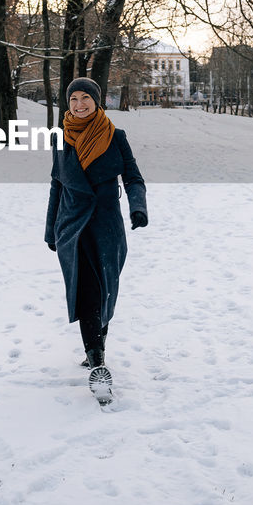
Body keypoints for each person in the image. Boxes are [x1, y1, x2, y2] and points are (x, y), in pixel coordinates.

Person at [44, 77, 147, 404]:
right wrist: (50, 230)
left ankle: (95, 349)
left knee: (106, 291)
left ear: (97, 100)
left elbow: (133, 177)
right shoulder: (61, 138)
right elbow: (56, 185)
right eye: (73, 98)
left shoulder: (115, 137)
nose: (79, 104)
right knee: (85, 291)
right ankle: (98, 363)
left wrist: (138, 207)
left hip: (106, 225)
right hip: (72, 227)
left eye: (85, 97)